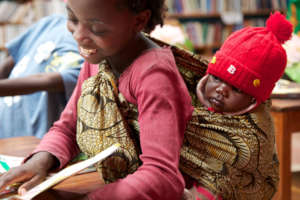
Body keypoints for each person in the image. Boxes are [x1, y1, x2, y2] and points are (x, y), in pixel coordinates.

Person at [0, 0, 193, 200]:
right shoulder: (99, 57)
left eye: (97, 28)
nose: (78, 36)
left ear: (139, 21)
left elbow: (161, 176)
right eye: (73, 18)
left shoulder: (155, 77)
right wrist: (39, 162)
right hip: (114, 185)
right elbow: (68, 127)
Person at [180, 12, 292, 200]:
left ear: (253, 100)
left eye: (236, 89)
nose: (221, 90)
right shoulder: (187, 93)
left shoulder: (251, 137)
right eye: (217, 78)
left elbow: (228, 180)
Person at [0, 14, 83, 138]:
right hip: (5, 127)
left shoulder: (89, 50)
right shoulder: (50, 22)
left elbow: (47, 81)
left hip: (35, 138)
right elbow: (11, 61)